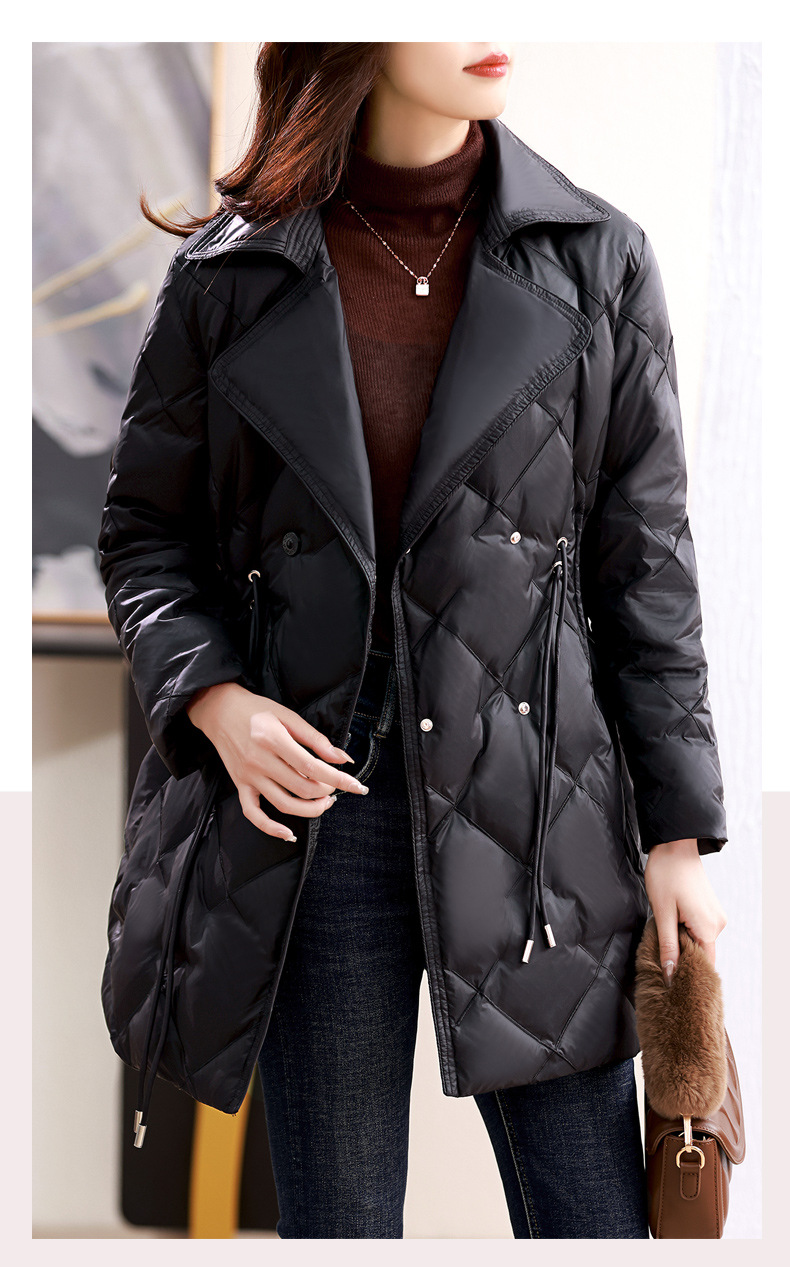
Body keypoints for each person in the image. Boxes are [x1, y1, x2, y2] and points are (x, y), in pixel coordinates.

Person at [99, 42, 729, 1239]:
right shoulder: (229, 275)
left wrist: (677, 837)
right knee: (340, 1221)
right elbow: (144, 537)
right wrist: (214, 700)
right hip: (313, 814)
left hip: (540, 817)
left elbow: (646, 570)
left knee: (594, 1221)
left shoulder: (597, 259)